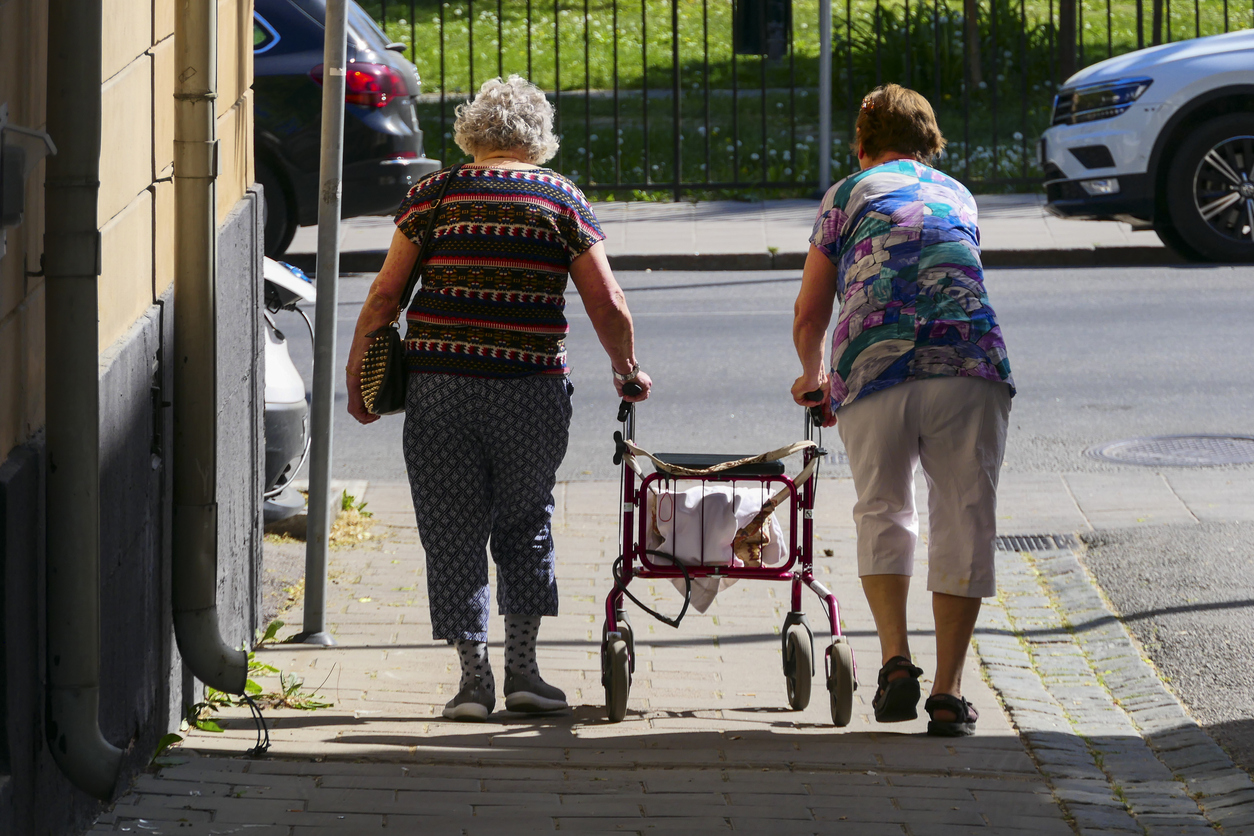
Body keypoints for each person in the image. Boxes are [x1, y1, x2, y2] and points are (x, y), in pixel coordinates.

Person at [346, 75, 651, 721]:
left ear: (471, 133)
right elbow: (608, 301)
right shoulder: (561, 198)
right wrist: (626, 368)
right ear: (538, 138)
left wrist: (359, 378)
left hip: (441, 391)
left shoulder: (434, 194)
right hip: (531, 392)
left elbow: (384, 297)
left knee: (451, 532)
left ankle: (471, 682)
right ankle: (526, 675)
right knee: (526, 522)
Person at [790, 84, 1014, 737]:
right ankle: (948, 692)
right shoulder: (959, 195)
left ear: (862, 146)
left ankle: (894, 662)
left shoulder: (847, 194)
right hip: (968, 362)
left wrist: (815, 378)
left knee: (883, 508)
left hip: (872, 364)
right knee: (963, 517)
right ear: (931, 143)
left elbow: (811, 311)